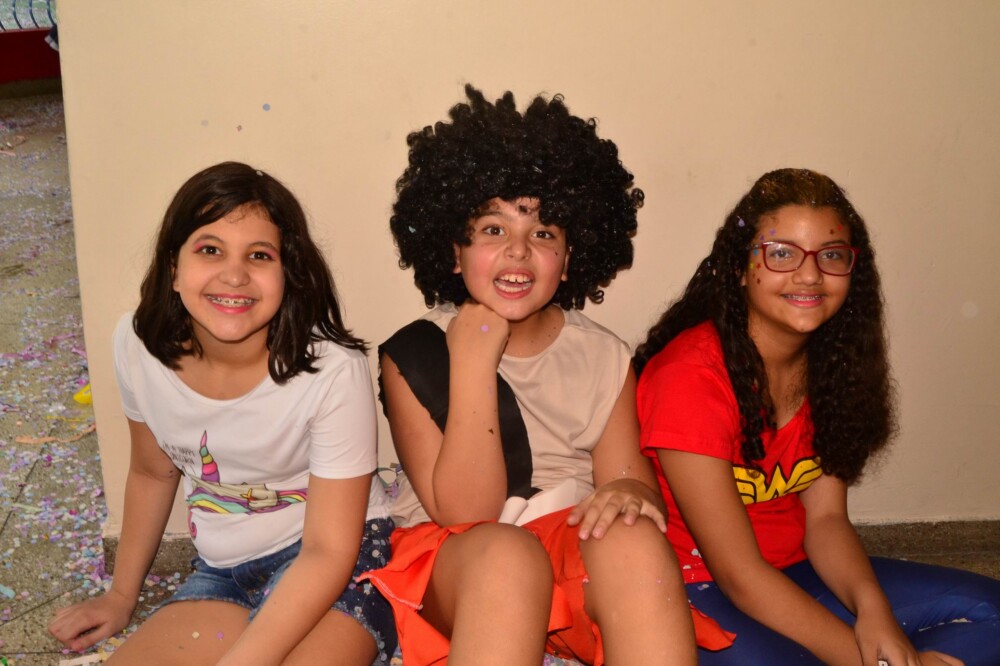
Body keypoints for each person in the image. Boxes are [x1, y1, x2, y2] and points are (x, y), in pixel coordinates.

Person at [358, 85, 734, 666]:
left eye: (542, 233)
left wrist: (629, 493)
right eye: (493, 230)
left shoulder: (604, 355)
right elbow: (466, 512)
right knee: (507, 557)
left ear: (569, 256)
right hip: (459, 557)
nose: (518, 251)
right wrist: (474, 363)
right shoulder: (414, 352)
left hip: (568, 542)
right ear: (454, 252)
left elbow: (631, 482)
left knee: (634, 535)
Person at [633, 168, 1000, 665]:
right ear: (740, 268)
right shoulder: (689, 376)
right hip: (697, 588)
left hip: (794, 571)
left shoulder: (833, 367)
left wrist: (873, 612)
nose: (810, 275)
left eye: (831, 255)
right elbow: (739, 575)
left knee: (992, 611)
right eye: (781, 253)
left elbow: (825, 520)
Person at [48, 162, 397, 664]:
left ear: (288, 274)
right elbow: (152, 471)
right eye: (210, 249)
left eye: (259, 255)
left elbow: (327, 551)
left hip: (341, 561)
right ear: (173, 267)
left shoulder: (332, 371)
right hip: (224, 572)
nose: (234, 275)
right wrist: (121, 596)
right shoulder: (137, 345)